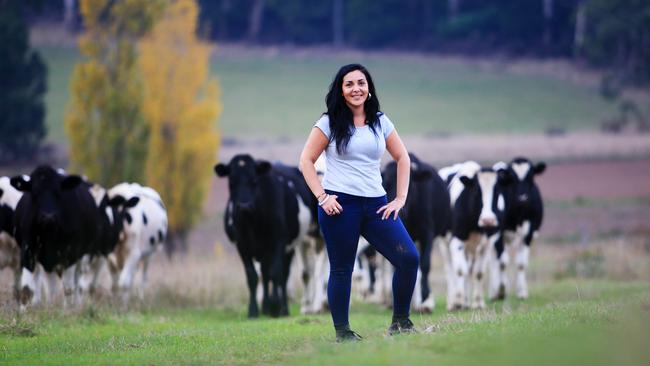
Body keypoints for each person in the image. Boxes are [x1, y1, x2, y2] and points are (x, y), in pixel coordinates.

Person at [299, 64, 420, 342]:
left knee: (408, 258)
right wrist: (322, 197)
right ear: (341, 91)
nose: (356, 89)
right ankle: (343, 333)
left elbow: (403, 158)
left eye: (361, 83)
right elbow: (305, 160)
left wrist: (399, 198)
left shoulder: (380, 121)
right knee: (342, 269)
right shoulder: (328, 122)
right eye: (349, 84)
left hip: (377, 205)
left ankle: (401, 322)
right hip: (340, 207)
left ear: (369, 88)